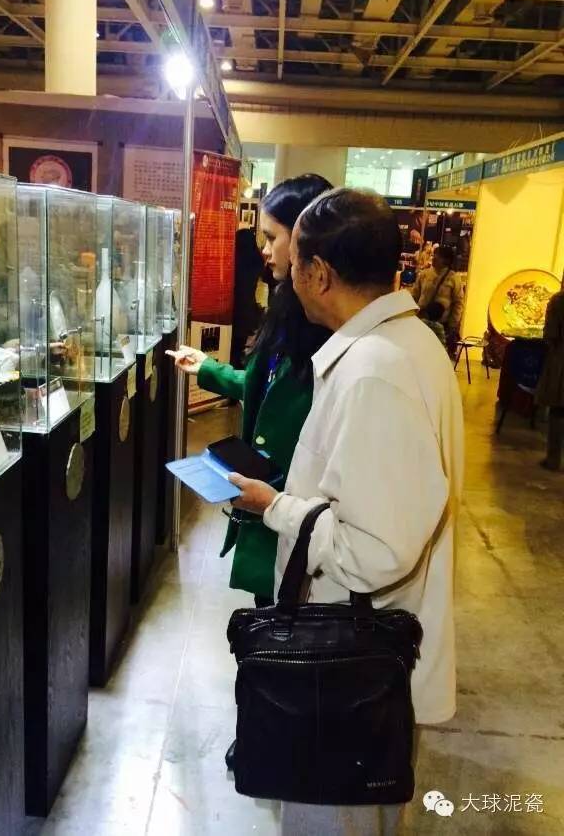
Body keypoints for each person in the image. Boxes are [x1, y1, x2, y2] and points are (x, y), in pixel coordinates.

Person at [229, 188, 464, 836]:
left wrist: (275, 507)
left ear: (320, 273)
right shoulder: (400, 346)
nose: (281, 268)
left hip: (349, 673)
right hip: (368, 667)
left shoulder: (374, 371)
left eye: (290, 256)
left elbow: (375, 550)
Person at [168, 173, 332, 611]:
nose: (265, 249)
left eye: (272, 237)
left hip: (294, 511)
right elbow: (271, 385)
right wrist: (209, 370)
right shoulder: (288, 308)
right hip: (270, 505)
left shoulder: (325, 326)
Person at [413, 244, 464, 357]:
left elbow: (458, 302)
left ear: (447, 260)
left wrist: (453, 324)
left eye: (438, 256)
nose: (434, 258)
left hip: (442, 324)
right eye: (434, 255)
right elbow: (415, 295)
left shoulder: (454, 278)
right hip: (422, 320)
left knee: (437, 354)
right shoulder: (424, 274)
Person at [535, 279, 564, 471]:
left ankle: (553, 459)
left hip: (561, 361)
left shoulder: (558, 300)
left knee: (558, 411)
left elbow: (550, 334)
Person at [230, 227, 265, 367]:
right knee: (238, 348)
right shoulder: (256, 262)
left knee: (231, 348)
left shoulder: (234, 263)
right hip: (248, 311)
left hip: (234, 310)